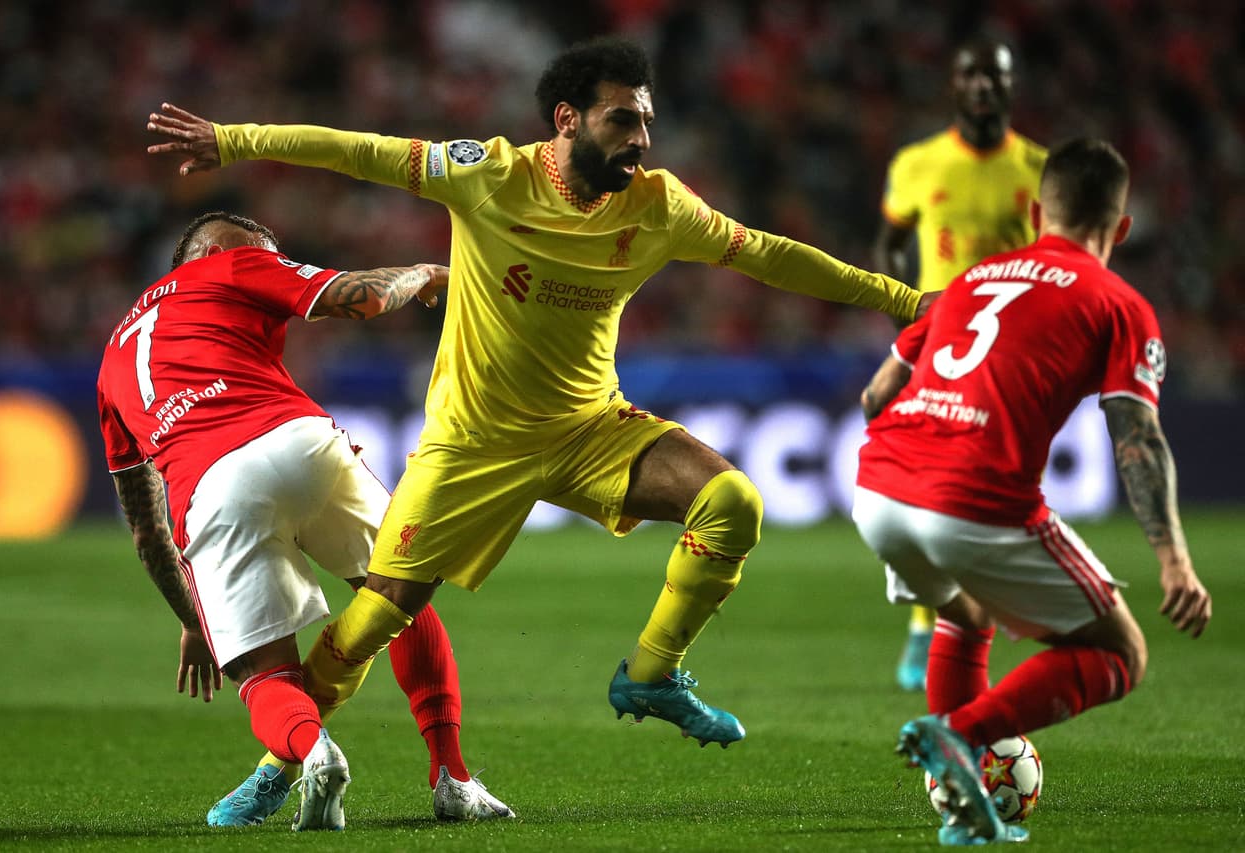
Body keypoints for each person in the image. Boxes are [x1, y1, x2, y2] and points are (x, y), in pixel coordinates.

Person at [145, 36, 932, 749]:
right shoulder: (487, 175)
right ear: (567, 119)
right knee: (380, 611)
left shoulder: (659, 205)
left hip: (590, 428)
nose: (641, 138)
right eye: (622, 120)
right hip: (474, 441)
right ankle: (285, 764)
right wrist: (234, 140)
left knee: (732, 503)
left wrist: (905, 301)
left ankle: (652, 673)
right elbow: (360, 152)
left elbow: (769, 254)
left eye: (646, 121)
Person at [98, 212, 513, 830]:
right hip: (301, 443)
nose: (272, 264)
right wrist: (425, 272)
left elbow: (147, 529)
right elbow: (363, 297)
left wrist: (192, 620)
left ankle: (314, 752)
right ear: (210, 253)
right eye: (265, 253)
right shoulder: (231, 265)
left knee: (266, 679)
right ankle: (453, 778)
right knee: (399, 597)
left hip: (211, 490)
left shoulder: (111, 361)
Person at [852, 138, 1212, 845]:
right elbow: (1136, 435)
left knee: (967, 611)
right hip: (970, 500)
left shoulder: (970, 280)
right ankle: (959, 736)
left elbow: (876, 395)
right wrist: (1174, 559)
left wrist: (919, 456)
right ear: (1121, 228)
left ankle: (963, 812)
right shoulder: (1119, 302)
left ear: (1036, 213)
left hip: (879, 489)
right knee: (1122, 653)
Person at [871, 38, 1048, 692]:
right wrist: (909, 324)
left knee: (988, 493)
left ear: (1010, 84)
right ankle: (930, 623)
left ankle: (957, 622)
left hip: (1013, 354)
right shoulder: (918, 163)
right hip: (939, 348)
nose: (982, 87)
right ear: (954, 84)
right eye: (971, 75)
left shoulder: (1038, 169)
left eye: (993, 76)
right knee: (931, 486)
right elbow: (889, 246)